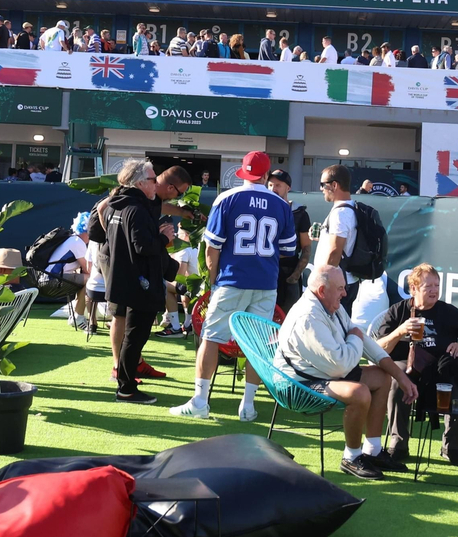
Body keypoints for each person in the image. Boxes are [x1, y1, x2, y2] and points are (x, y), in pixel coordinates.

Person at [171, 152, 296, 422]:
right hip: (265, 282)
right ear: (266, 175)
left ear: (243, 172)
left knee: (211, 337)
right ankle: (248, 405)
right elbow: (288, 250)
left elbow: (211, 248)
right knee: (257, 344)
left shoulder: (226, 198)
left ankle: (201, 401)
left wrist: (214, 279)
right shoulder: (282, 205)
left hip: (232, 280)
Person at [275, 266, 416, 479]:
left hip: (321, 372)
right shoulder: (308, 317)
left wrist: (401, 377)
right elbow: (341, 365)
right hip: (295, 384)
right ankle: (351, 457)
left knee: (382, 377)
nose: (345, 293)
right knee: (358, 393)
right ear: (322, 290)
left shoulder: (329, 304)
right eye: (340, 288)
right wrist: (355, 337)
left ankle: (373, 451)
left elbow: (364, 342)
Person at [373, 263, 458, 468]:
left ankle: (452, 447)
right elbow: (379, 348)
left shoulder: (448, 312)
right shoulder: (399, 310)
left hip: (440, 366)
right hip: (406, 364)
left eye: (437, 285)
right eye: (428, 286)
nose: (434, 290)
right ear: (413, 289)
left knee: (457, 382)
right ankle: (399, 444)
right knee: (397, 383)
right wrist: (400, 331)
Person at [104, 158, 176, 404]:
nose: (156, 185)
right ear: (139, 183)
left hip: (124, 278)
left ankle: (126, 384)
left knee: (131, 337)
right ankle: (126, 388)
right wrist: (165, 238)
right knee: (135, 338)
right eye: (152, 180)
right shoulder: (136, 208)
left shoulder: (116, 204)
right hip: (140, 282)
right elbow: (143, 246)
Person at [314, 164, 364, 314]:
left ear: (334, 185)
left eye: (323, 184)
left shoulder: (341, 213)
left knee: (335, 331)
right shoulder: (351, 208)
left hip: (336, 285)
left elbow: (335, 252)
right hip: (346, 281)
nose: (321, 189)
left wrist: (322, 282)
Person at [267, 168, 313, 315]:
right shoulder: (262, 209)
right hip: (265, 269)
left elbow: (306, 247)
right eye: (270, 185)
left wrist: (296, 274)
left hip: (289, 271)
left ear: (288, 187)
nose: (273, 189)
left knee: (288, 318)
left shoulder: (299, 213)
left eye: (278, 185)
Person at [43, 212, 93, 328]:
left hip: (49, 278)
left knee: (85, 280)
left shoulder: (73, 239)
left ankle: (77, 316)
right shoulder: (78, 243)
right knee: (91, 280)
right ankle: (78, 317)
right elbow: (88, 270)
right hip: (52, 281)